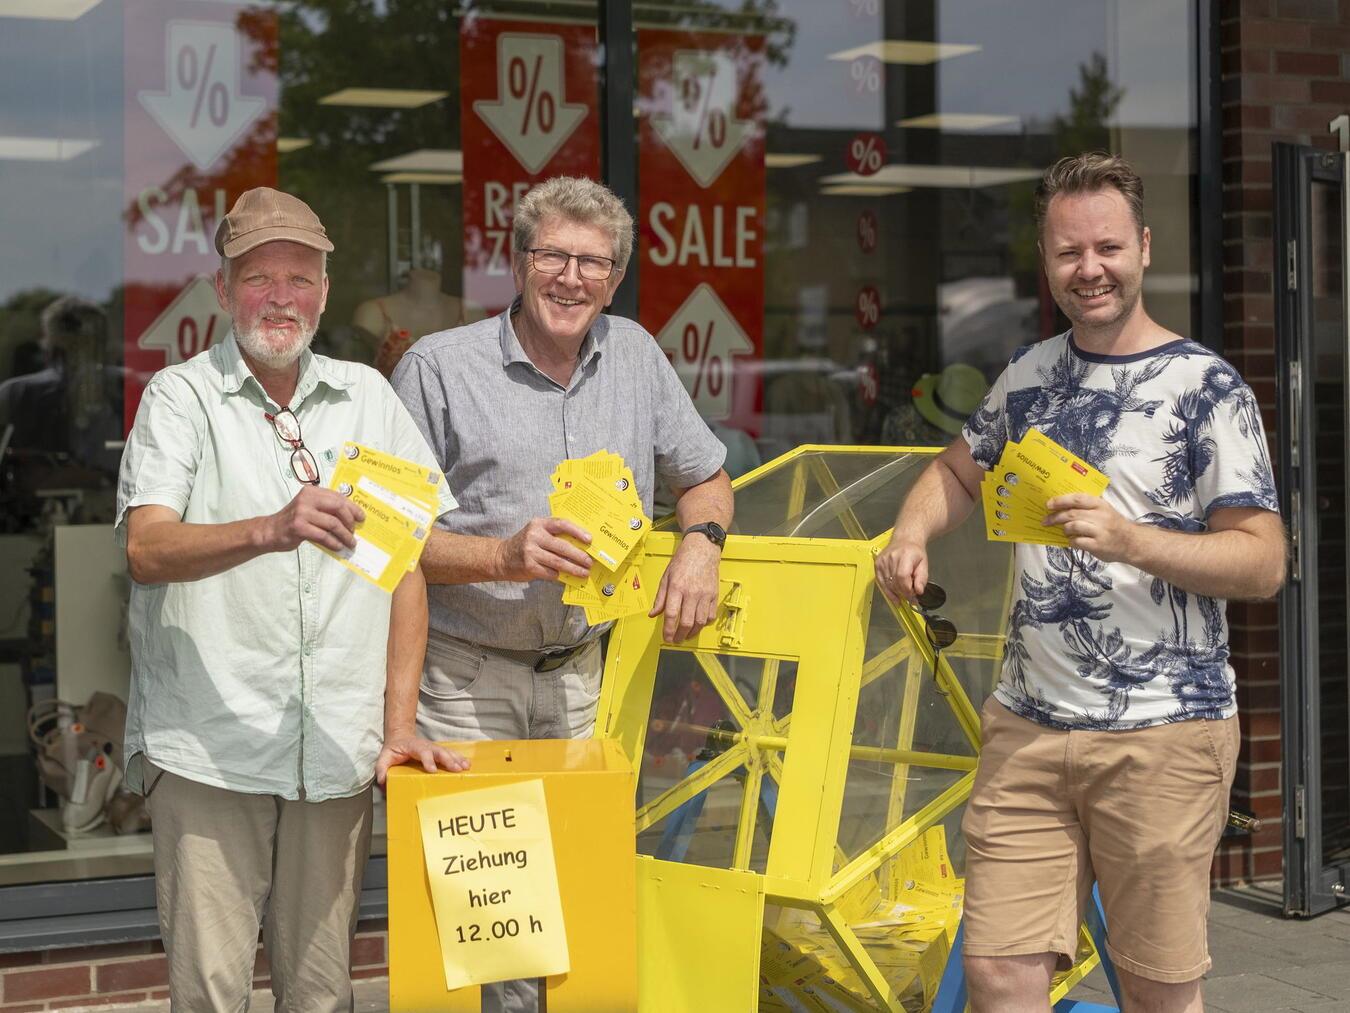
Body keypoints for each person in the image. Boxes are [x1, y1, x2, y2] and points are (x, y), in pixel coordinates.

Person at [874, 153, 1286, 1013]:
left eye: (1107, 248)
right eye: (1069, 252)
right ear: (1046, 261)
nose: (1089, 269)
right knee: (998, 974)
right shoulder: (1028, 375)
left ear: (1144, 247)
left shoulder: (1208, 387)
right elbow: (955, 472)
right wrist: (911, 530)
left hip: (1163, 737)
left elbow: (1262, 559)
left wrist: (1133, 540)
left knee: (1156, 988)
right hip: (1028, 729)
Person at [117, 187, 468, 1012]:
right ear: (223, 288)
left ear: (325, 291)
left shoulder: (368, 396)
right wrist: (270, 528)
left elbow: (406, 567)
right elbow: (145, 549)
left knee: (321, 994)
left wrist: (399, 725)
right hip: (212, 748)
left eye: (301, 278)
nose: (281, 297)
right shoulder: (180, 397)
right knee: (212, 994)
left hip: (336, 749)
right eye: (259, 277)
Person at [391, 176, 731, 1010]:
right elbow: (390, 537)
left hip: (586, 677)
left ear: (614, 280)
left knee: (581, 906)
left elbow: (707, 478)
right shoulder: (438, 368)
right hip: (468, 680)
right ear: (518, 262)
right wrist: (503, 555)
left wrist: (701, 545)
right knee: (491, 927)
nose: (572, 278)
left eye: (594, 263)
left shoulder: (636, 356)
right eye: (554, 256)